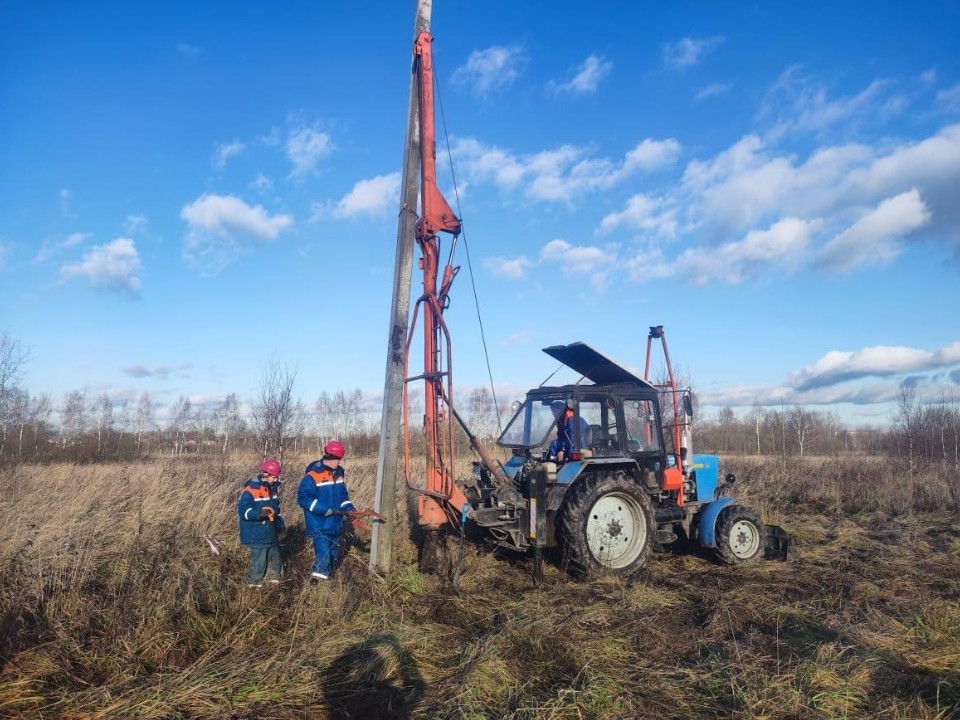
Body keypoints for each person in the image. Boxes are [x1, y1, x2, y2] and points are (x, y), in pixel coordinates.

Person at [297, 440, 355, 584]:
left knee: (334, 555)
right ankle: (319, 586)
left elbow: (343, 496)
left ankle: (330, 578)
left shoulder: (338, 474)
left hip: (335, 524)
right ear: (330, 457)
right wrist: (324, 510)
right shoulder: (312, 476)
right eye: (338, 459)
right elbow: (303, 499)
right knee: (324, 556)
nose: (340, 462)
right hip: (319, 525)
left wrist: (349, 509)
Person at [237, 458, 285, 588]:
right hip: (256, 534)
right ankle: (254, 585)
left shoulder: (273, 489)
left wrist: (280, 523)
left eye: (277, 477)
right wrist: (259, 514)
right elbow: (243, 511)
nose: (276, 479)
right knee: (259, 561)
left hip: (271, 532)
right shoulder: (250, 490)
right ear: (265, 474)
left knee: (275, 558)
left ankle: (274, 583)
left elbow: (276, 509)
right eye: (274, 477)